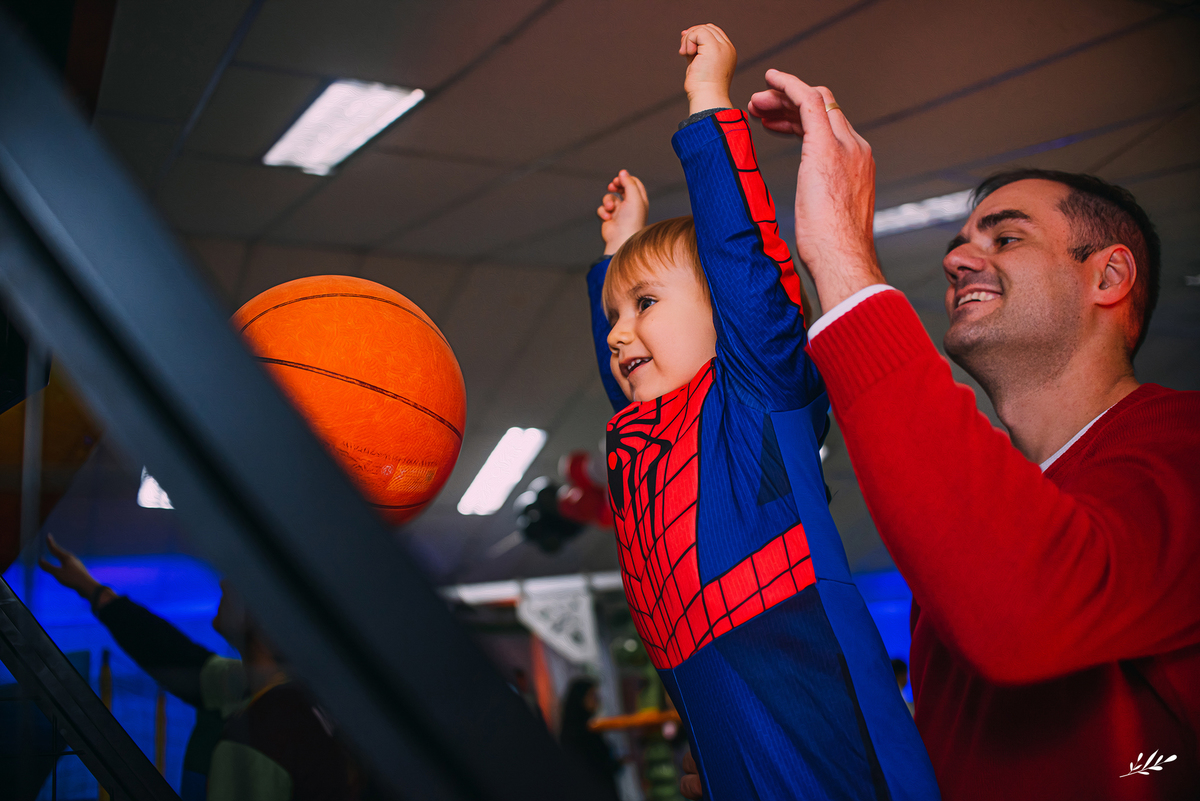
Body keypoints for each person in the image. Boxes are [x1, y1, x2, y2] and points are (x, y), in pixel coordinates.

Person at [743, 67, 1200, 799]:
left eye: (1006, 236)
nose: (956, 259)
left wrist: (840, 254)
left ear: (1109, 276)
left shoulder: (1185, 446)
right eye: (960, 242)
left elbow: (1029, 611)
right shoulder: (977, 518)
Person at [586, 24, 937, 801]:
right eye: (614, 314)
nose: (617, 331)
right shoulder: (649, 445)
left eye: (643, 304)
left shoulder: (756, 404)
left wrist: (708, 101)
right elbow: (633, 395)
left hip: (833, 749)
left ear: (728, 319)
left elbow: (743, 265)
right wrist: (620, 255)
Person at [40, 534, 358, 800]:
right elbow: (171, 652)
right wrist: (90, 588)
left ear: (267, 619)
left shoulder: (256, 735)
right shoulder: (288, 694)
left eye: (242, 582)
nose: (224, 582)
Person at [558, 678, 620, 801]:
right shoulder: (578, 734)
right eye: (592, 695)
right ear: (580, 699)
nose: (596, 699)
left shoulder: (584, 729)